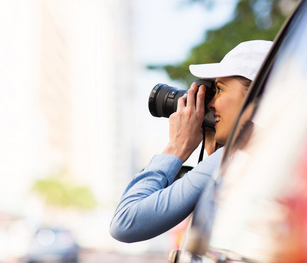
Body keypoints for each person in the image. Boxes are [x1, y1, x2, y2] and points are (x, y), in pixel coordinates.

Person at [109, 40, 273, 243]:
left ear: (256, 95)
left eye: (220, 90)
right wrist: (213, 143)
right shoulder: (274, 151)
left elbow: (126, 223)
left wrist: (177, 146)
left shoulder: (240, 155)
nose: (211, 103)